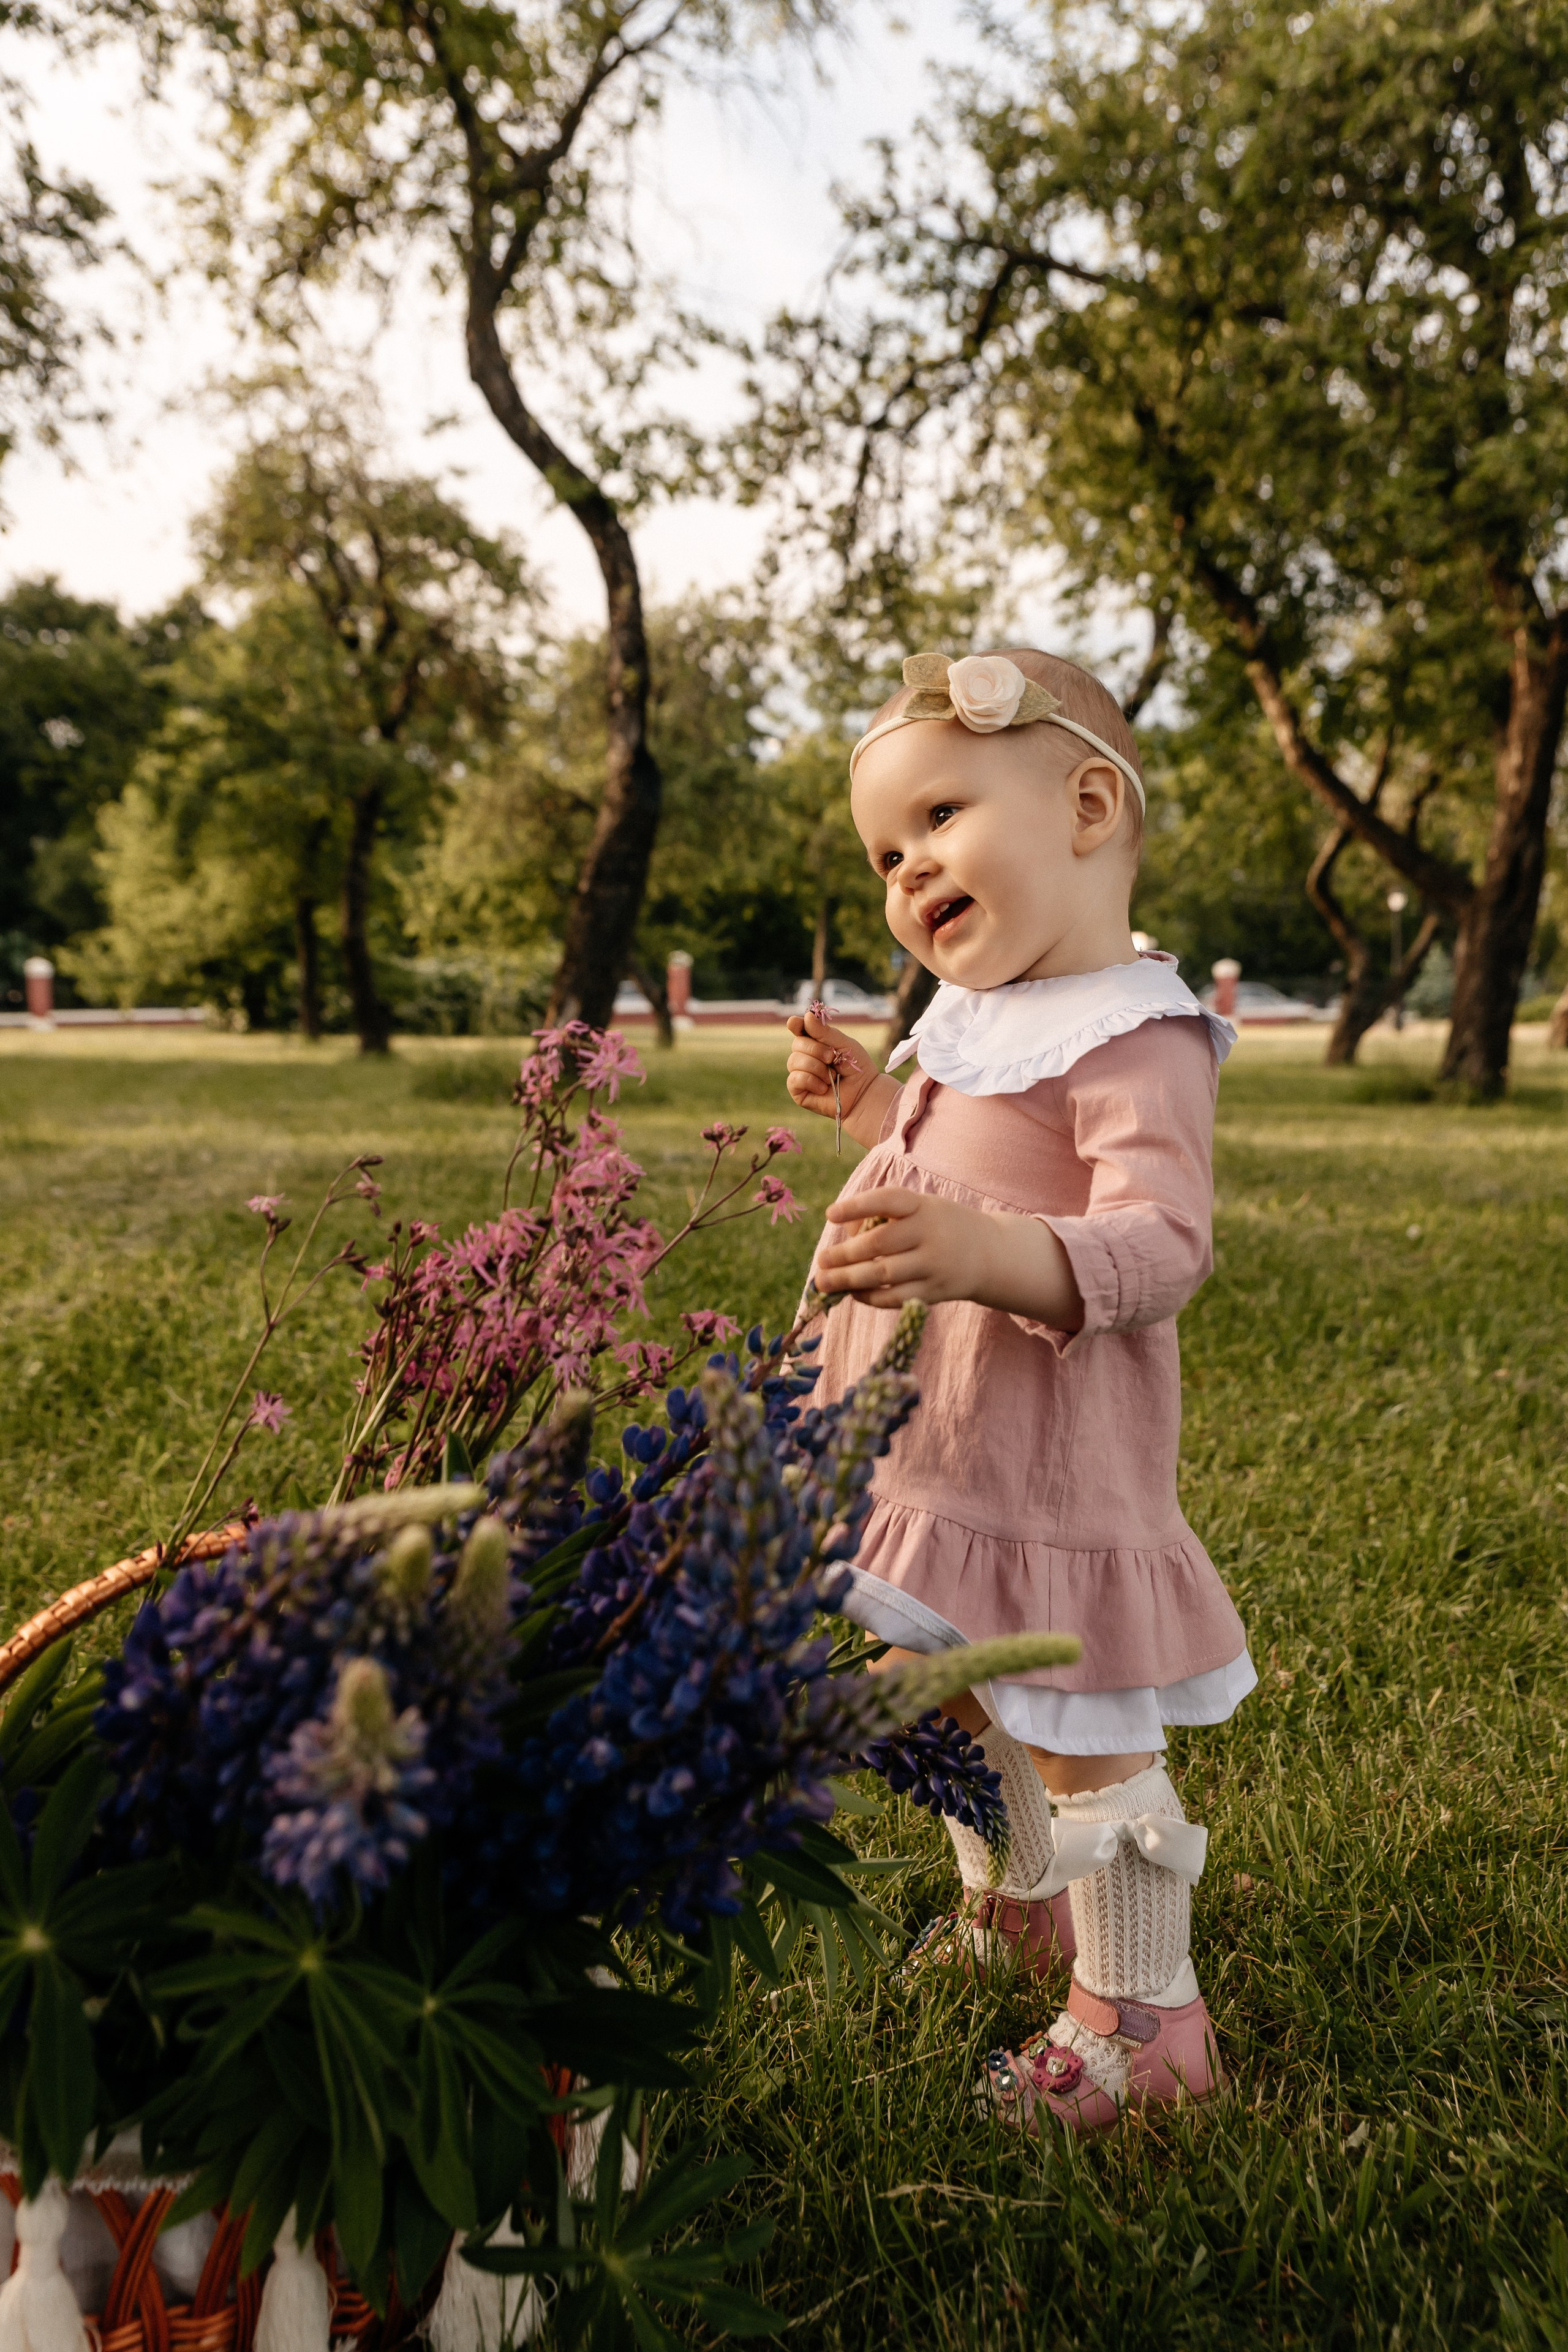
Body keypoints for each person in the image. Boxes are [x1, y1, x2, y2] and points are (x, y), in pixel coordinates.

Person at [784, 647, 1250, 2136]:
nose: (907, 866)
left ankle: (1144, 2022)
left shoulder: (1136, 1032)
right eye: (884, 854)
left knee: (1075, 1728)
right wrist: (867, 1101)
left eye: (937, 817)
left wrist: (992, 1254)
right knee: (940, 1686)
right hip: (935, 1444)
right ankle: (1018, 1897)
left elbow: (1161, 1246)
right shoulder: (976, 1016)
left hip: (1045, 1461)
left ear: (1088, 808)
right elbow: (951, 1151)